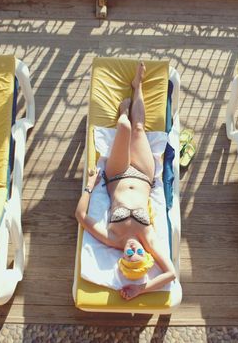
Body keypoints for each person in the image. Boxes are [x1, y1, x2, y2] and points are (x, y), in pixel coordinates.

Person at [75, 62, 176, 301]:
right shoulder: (148, 238)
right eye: (138, 252)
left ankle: (122, 111)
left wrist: (90, 185)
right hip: (143, 173)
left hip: (117, 174)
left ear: (122, 256)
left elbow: (80, 216)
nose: (133, 249)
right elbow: (171, 273)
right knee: (138, 129)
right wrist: (142, 288)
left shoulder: (112, 238)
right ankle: (137, 86)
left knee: (124, 125)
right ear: (146, 254)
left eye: (129, 254)